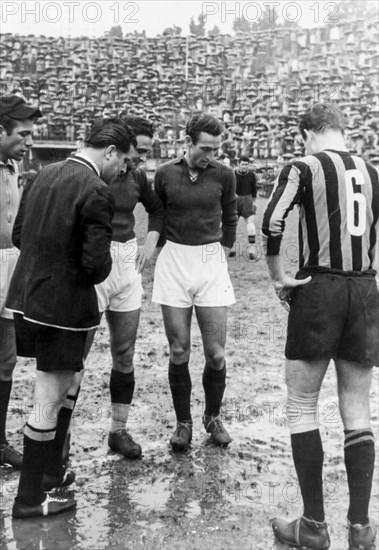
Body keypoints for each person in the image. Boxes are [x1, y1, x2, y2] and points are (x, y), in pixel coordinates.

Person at [6, 118, 137, 518]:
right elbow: (96, 265)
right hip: (64, 310)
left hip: (28, 299)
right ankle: (31, 498)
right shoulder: (97, 189)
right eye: (124, 161)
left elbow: (18, 234)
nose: (124, 171)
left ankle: (45, 477)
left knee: (47, 392)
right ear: (110, 152)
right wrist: (91, 270)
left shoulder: (42, 174)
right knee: (47, 399)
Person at [262, 103, 378, 550]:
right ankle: (362, 529)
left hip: (319, 287)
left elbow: (273, 220)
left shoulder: (304, 165)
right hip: (365, 291)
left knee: (302, 404)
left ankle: (312, 525)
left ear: (308, 132)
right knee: (357, 409)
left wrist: (277, 276)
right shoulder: (372, 171)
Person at [63, 116, 164, 460]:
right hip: (93, 262)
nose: (142, 160)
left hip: (126, 261)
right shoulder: (92, 175)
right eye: (139, 151)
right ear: (121, 146)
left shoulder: (136, 175)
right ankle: (62, 437)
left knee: (124, 354)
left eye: (148, 153)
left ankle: (119, 431)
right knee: (76, 357)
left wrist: (149, 243)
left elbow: (156, 210)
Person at [152, 113, 238, 452]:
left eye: (215, 149)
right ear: (188, 142)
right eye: (205, 148)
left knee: (216, 353)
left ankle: (213, 417)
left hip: (210, 261)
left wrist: (222, 252)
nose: (210, 155)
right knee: (179, 350)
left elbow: (230, 216)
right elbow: (157, 213)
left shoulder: (224, 175)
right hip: (174, 260)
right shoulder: (165, 173)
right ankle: (183, 423)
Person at [0, 95, 42, 470]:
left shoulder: (13, 166)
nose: (29, 142)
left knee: (6, 362)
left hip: (10, 266)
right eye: (23, 134)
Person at [229, 155, 257, 260]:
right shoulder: (232, 174)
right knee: (232, 225)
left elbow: (254, 190)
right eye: (243, 164)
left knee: (251, 225)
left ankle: (252, 250)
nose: (244, 166)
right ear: (238, 164)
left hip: (247, 201)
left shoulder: (251, 176)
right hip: (234, 201)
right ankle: (232, 248)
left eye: (246, 164)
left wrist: (254, 203)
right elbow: (228, 188)